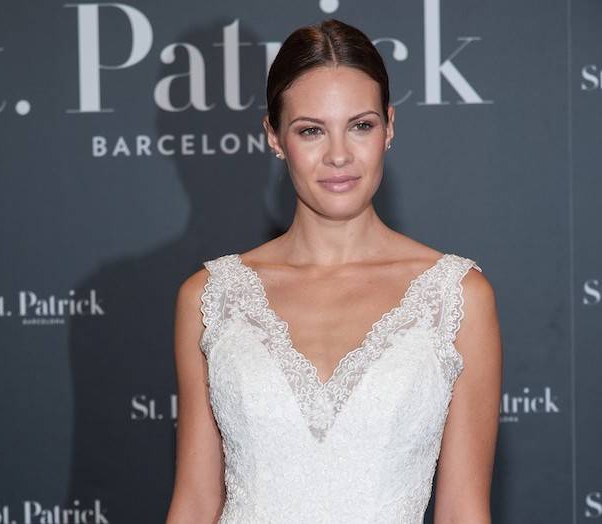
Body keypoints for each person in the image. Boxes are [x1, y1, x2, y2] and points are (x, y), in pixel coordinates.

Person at [166, 18, 502, 524]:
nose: (339, 155)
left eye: (361, 125)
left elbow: (462, 512)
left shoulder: (456, 297)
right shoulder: (211, 297)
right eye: (311, 131)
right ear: (275, 137)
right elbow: (194, 502)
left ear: (389, 127)